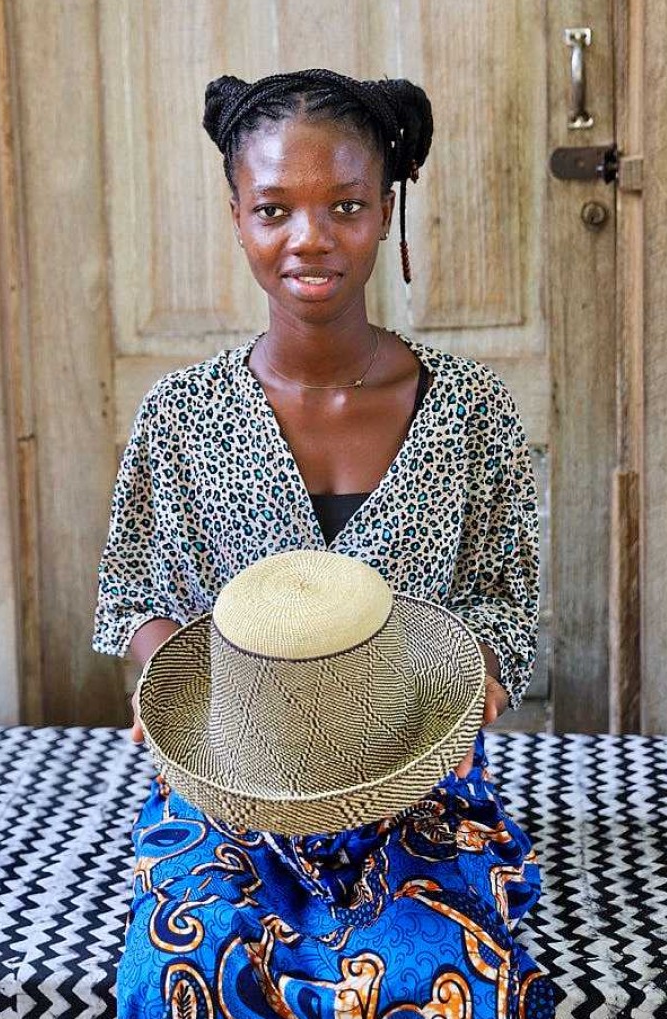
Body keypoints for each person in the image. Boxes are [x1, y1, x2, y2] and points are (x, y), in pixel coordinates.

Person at [93, 69, 560, 1018]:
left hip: (412, 784)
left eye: (344, 205)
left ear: (384, 210)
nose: (309, 238)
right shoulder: (180, 417)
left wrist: (471, 685)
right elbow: (134, 595)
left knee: (436, 979)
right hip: (234, 796)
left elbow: (504, 606)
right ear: (236, 215)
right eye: (274, 209)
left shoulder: (471, 412)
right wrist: (167, 681)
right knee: (183, 972)